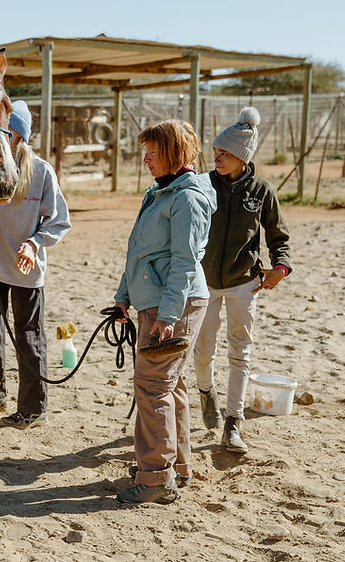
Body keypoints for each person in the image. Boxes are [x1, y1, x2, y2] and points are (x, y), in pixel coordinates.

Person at [113, 119, 216, 504]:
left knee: (153, 387)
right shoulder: (160, 193)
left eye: (152, 154)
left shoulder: (186, 199)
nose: (145, 160)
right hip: (157, 302)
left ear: (173, 154)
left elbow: (185, 262)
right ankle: (177, 466)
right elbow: (138, 251)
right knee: (170, 386)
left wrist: (169, 316)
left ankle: (156, 478)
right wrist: (123, 296)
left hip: (175, 303)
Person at [0, 100, 71, 429]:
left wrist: (35, 243)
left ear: (20, 136)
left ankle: (34, 408)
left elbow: (59, 222)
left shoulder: (40, 173)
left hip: (26, 270)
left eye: (8, 132)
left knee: (28, 337)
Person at [193, 107, 292, 454]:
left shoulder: (262, 190)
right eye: (216, 152)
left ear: (242, 156)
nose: (217, 157)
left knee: (240, 352)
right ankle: (207, 393)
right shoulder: (203, 185)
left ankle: (233, 423)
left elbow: (279, 238)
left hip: (244, 283)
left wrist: (281, 268)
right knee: (203, 351)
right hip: (203, 283)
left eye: (224, 153)